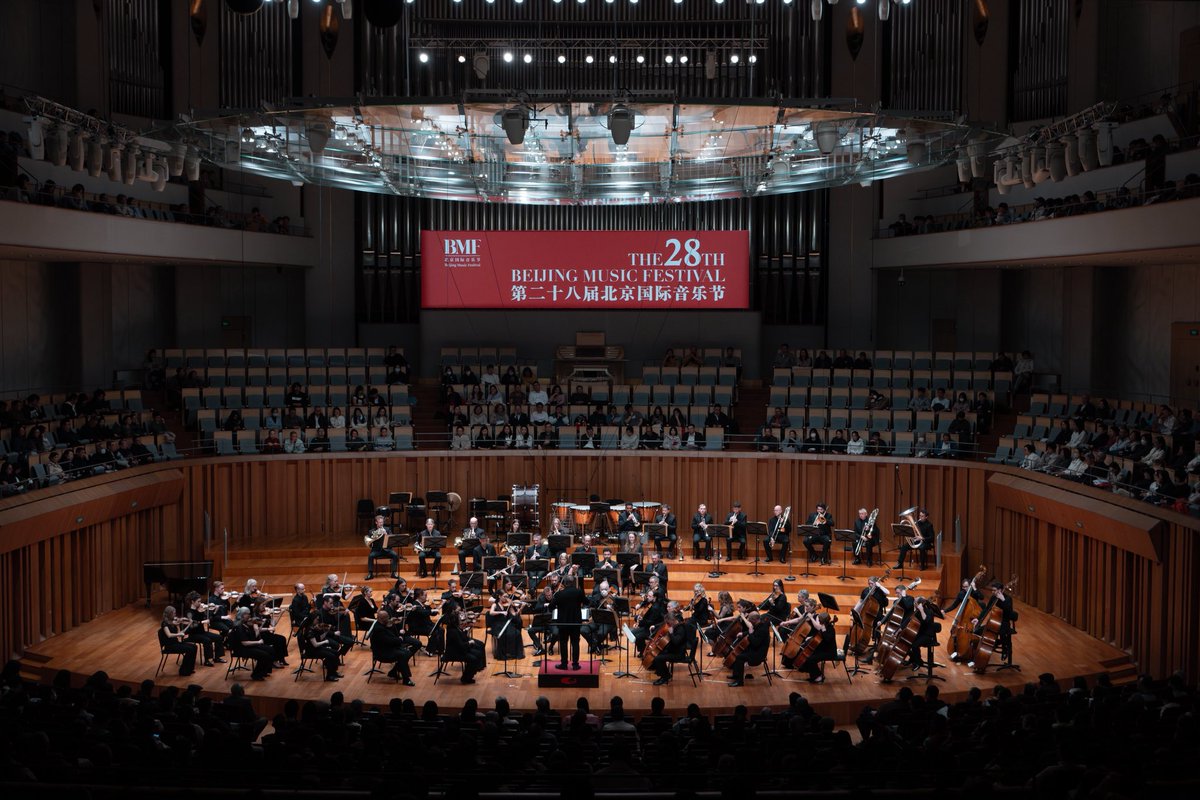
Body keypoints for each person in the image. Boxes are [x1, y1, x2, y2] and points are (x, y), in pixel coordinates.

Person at [549, 576, 586, 670]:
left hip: (563, 623)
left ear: (564, 583)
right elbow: (587, 602)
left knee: (563, 643)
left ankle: (564, 664)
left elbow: (551, 607)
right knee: (575, 643)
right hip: (575, 623)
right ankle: (575, 665)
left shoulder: (559, 594)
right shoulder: (578, 592)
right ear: (573, 582)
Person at [443, 607, 486, 684]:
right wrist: (469, 643)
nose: (462, 621)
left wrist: (466, 629)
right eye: (460, 619)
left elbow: (463, 639)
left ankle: (470, 674)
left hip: (460, 649)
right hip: (454, 653)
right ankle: (466, 678)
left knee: (478, 653)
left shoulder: (456, 627)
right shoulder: (453, 631)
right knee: (473, 658)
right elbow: (461, 646)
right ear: (456, 620)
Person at [727, 611, 770, 686]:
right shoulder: (759, 625)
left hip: (758, 654)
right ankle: (736, 675)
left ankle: (739, 682)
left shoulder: (763, 629)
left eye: (750, 620)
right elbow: (753, 632)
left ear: (754, 620)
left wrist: (750, 633)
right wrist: (743, 633)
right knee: (738, 653)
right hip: (754, 650)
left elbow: (755, 643)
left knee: (740, 658)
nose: (749, 621)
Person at [651, 613, 692, 686]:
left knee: (658, 658)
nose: (667, 624)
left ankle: (665, 677)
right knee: (657, 654)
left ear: (673, 620)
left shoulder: (681, 629)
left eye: (668, 622)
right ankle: (664, 674)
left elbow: (676, 642)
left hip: (678, 654)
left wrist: (671, 633)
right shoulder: (675, 626)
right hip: (673, 651)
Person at [158, 606, 197, 676]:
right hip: (170, 646)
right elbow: (169, 635)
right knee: (190, 649)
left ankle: (189, 668)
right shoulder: (164, 624)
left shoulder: (174, 622)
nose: (175, 615)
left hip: (176, 643)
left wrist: (189, 625)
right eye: (174, 613)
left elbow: (181, 633)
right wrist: (178, 634)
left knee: (194, 647)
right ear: (169, 614)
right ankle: (183, 671)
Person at [364, 514, 399, 580]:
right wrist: (376, 535)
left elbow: (392, 539)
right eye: (379, 522)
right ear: (376, 522)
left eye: (382, 522)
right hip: (376, 550)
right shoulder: (372, 531)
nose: (381, 524)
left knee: (395, 555)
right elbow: (370, 543)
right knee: (370, 556)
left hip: (387, 550)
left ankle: (393, 573)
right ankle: (370, 574)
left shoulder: (387, 529)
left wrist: (386, 534)